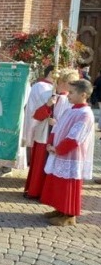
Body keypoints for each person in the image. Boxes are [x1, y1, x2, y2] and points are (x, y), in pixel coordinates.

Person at [40, 79, 95, 226]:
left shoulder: (85, 114)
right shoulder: (71, 109)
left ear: (83, 95)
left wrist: (58, 149)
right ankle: (60, 209)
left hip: (71, 156)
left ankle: (69, 215)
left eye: (71, 92)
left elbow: (75, 137)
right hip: (59, 152)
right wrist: (50, 142)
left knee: (69, 185)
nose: (68, 95)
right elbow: (58, 127)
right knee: (59, 183)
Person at [22, 65, 56, 199]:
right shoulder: (41, 87)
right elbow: (33, 110)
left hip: (52, 131)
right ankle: (35, 189)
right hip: (41, 128)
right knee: (39, 162)